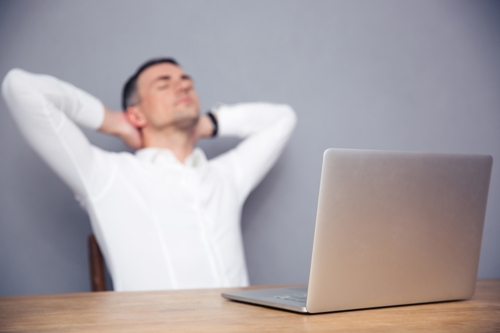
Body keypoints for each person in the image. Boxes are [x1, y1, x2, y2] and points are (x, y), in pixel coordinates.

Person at [1, 58, 296, 291]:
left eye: (186, 82)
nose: (183, 88)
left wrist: (207, 123)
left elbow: (283, 119)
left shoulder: (226, 176)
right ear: (136, 113)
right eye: (163, 84)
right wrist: (114, 122)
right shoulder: (107, 175)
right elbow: (19, 87)